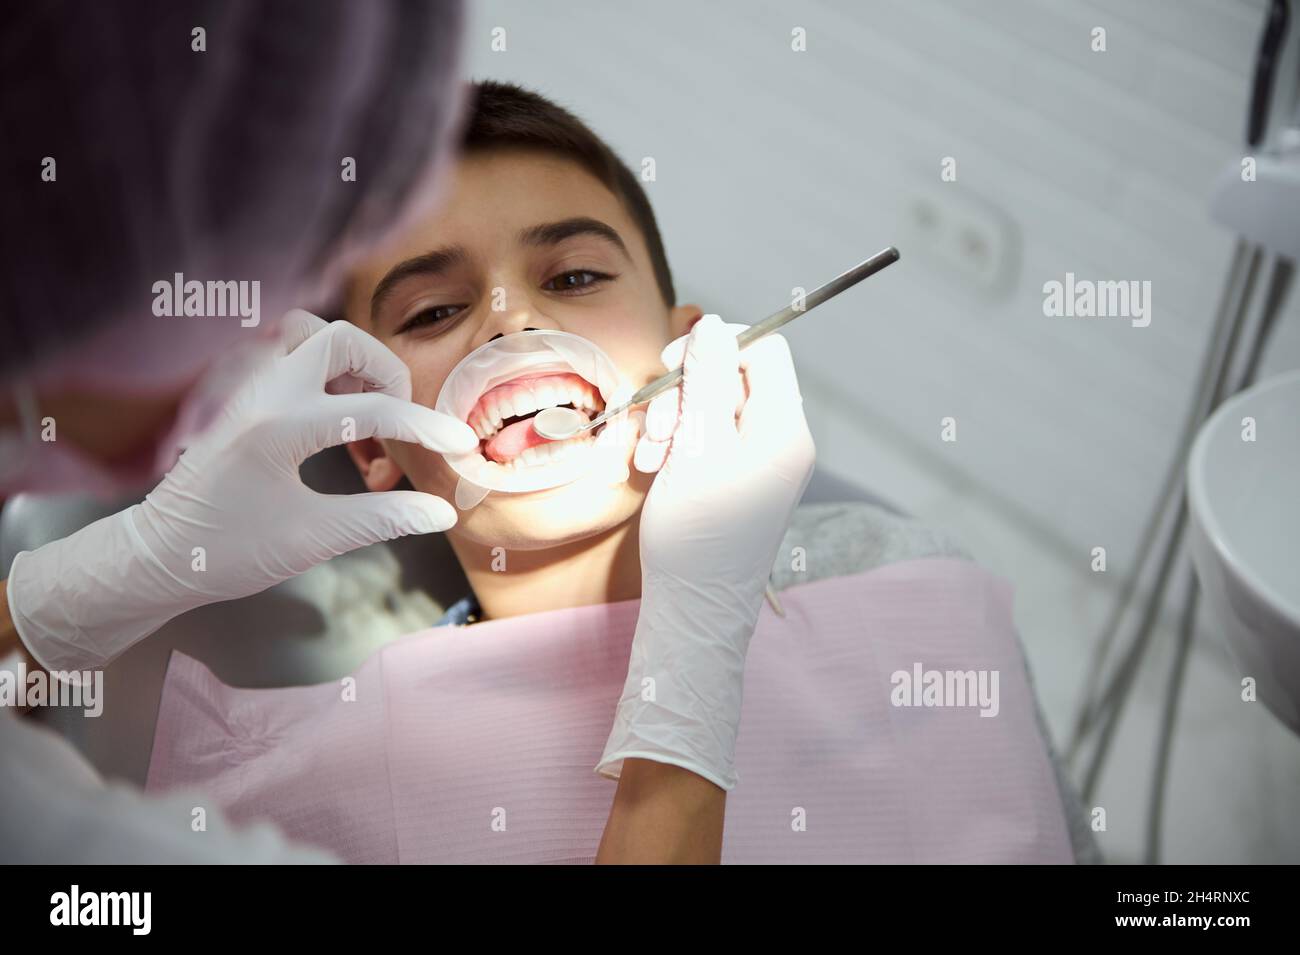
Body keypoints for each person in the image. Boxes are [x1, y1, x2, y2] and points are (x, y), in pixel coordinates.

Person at [0, 8, 816, 865]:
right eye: (432, 311)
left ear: (693, 353)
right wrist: (688, 696)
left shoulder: (902, 583)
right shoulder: (289, 799)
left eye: (575, 275)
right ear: (369, 442)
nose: (513, 320)